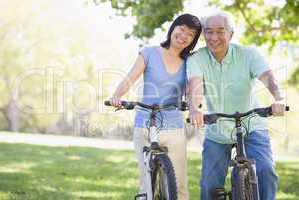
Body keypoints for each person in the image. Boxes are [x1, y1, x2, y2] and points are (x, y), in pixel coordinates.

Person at [186, 11, 286, 200]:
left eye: (220, 31)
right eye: (208, 32)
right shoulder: (196, 59)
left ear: (230, 34)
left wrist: (278, 98)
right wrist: (194, 109)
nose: (214, 37)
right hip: (218, 129)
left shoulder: (248, 54)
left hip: (251, 126)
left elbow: (268, 78)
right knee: (209, 185)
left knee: (266, 172)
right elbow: (196, 86)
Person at [109, 14, 202, 200]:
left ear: (193, 40)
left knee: (180, 185)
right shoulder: (150, 53)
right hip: (145, 122)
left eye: (190, 34)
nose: (184, 35)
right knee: (146, 183)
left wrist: (195, 107)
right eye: (181, 29)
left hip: (173, 125)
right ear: (173, 28)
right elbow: (130, 78)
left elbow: (194, 89)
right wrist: (117, 95)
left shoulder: (191, 61)